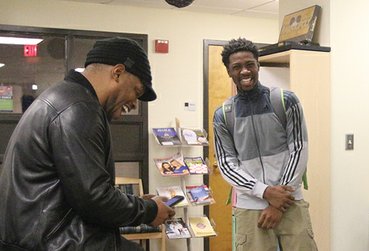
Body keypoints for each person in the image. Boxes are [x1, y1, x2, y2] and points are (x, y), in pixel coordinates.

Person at [0, 37, 175, 250]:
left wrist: (138, 202)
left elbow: (78, 189)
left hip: (37, 237)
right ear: (117, 72)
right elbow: (94, 199)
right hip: (54, 242)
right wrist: (150, 210)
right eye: (136, 92)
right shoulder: (79, 109)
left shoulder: (62, 97)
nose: (133, 102)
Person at [213, 38, 318, 251]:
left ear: (258, 65)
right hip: (250, 207)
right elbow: (226, 164)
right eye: (237, 67)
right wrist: (264, 192)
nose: (244, 71)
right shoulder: (223, 115)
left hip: (290, 203)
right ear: (229, 71)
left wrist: (278, 201)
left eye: (250, 64)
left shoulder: (285, 100)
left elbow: (298, 150)